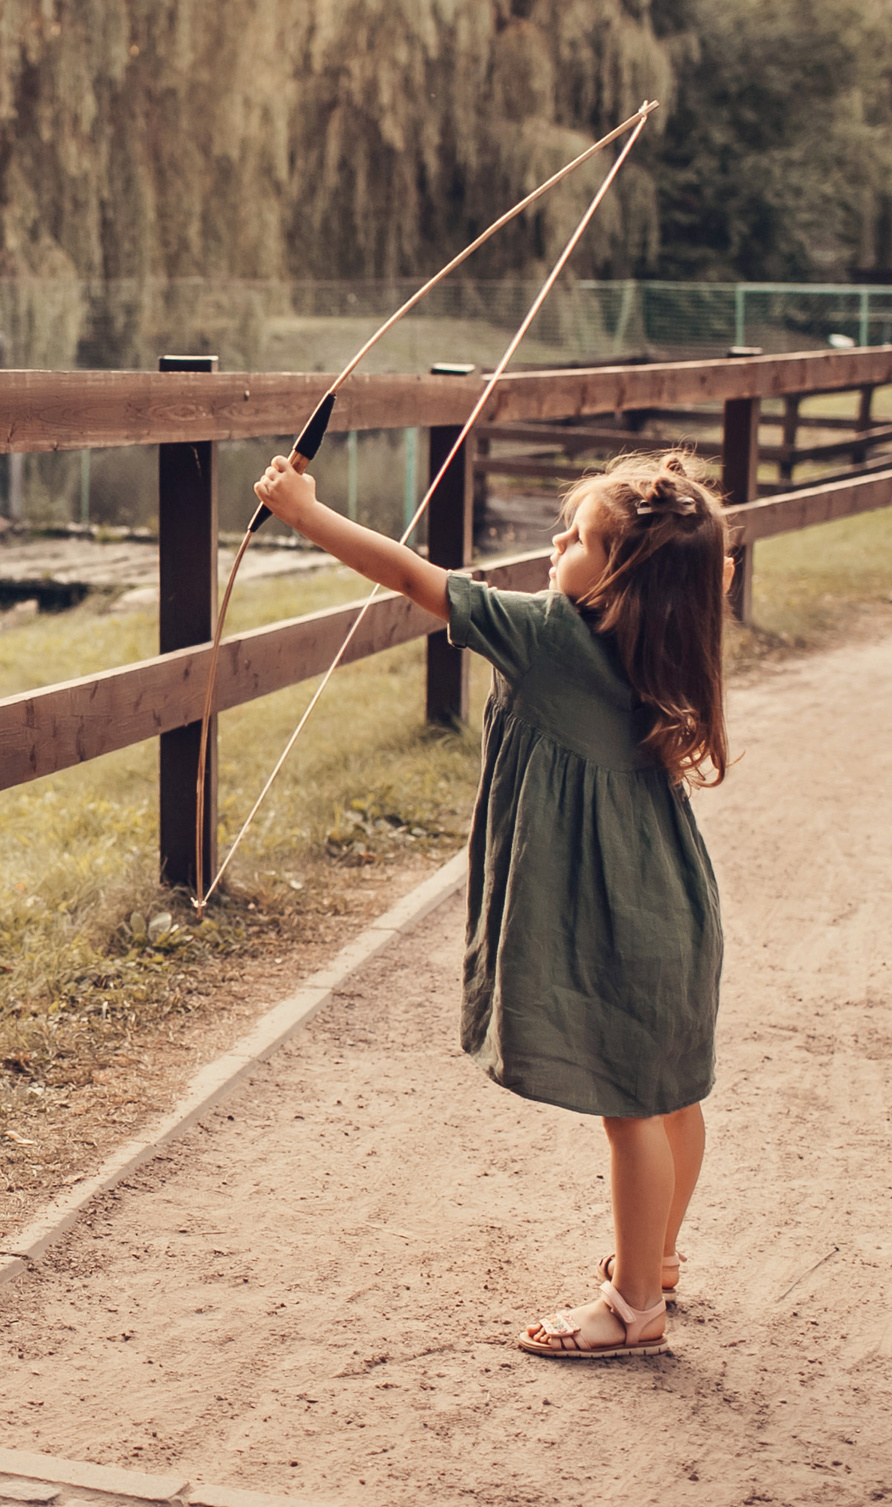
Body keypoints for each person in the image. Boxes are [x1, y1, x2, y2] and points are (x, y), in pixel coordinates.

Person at [251, 447, 733, 1360]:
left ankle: (634, 1307)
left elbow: (410, 575)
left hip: (616, 918)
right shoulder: (674, 631)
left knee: (631, 1110)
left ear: (625, 577)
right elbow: (698, 567)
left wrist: (304, 512)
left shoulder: (553, 632)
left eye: (583, 537)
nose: (559, 542)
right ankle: (656, 1257)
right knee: (670, 1095)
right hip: (673, 905)